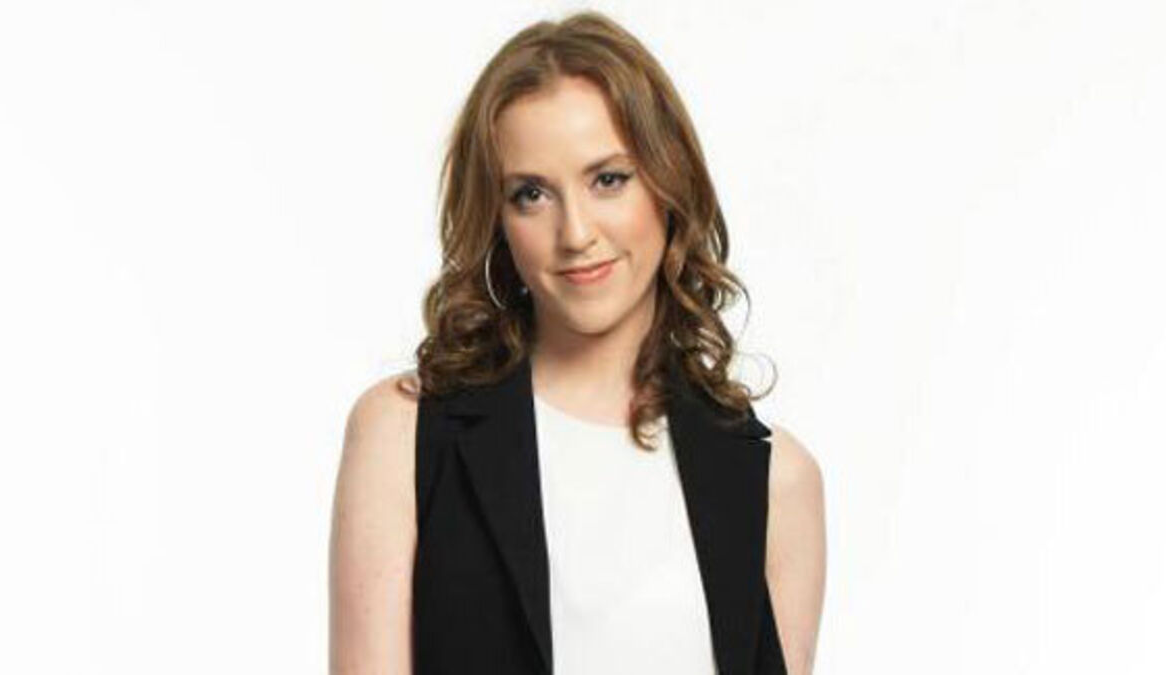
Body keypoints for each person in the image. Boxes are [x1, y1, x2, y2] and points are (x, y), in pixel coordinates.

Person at [330, 10, 825, 675]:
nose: (576, 233)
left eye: (608, 179)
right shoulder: (403, 436)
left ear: (668, 183)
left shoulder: (775, 480)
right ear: (497, 219)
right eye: (531, 194)